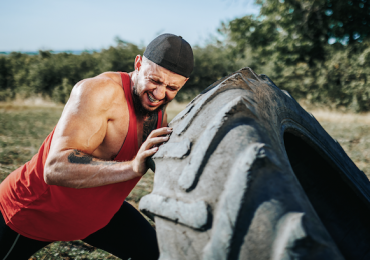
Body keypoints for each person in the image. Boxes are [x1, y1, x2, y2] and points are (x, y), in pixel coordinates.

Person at [0, 33, 194, 259]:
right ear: (138, 64)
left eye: (172, 87)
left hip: (96, 216)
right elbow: (55, 168)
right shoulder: (100, 91)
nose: (160, 93)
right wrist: (132, 167)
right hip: (34, 212)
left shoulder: (155, 104)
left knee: (158, 255)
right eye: (155, 80)